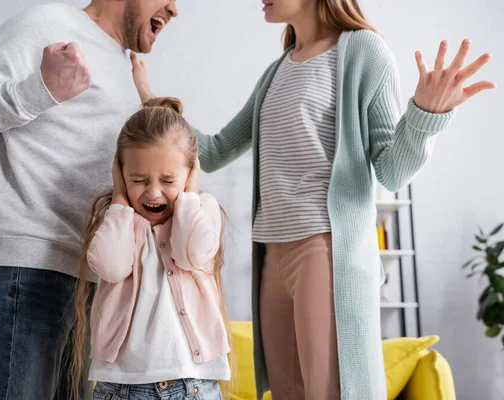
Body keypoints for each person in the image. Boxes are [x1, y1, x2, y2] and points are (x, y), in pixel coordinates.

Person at [130, 0, 496, 399]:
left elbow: (391, 171)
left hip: (324, 250)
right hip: (272, 256)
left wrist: (425, 114)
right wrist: (153, 102)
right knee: (288, 392)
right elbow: (215, 151)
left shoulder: (363, 51)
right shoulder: (277, 72)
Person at [0, 1, 178, 398]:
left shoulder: (123, 64)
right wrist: (40, 89)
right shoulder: (50, 23)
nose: (174, 9)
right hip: (28, 270)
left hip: (90, 281)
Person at [70, 97, 231, 400]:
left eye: (169, 180)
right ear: (120, 173)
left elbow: (189, 254)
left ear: (190, 172)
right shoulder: (115, 218)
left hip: (193, 385)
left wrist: (189, 195)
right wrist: (119, 199)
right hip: (122, 388)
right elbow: (111, 266)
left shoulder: (202, 210)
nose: (153, 191)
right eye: (138, 179)